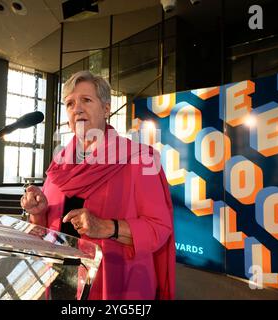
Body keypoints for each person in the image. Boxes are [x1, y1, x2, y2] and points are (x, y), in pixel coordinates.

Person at [20, 70, 175, 300]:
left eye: (86, 100)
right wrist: (38, 213)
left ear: (105, 109)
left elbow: (159, 229)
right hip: (59, 280)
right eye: (70, 103)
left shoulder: (139, 158)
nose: (77, 109)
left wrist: (107, 227)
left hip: (115, 284)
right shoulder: (59, 163)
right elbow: (48, 229)